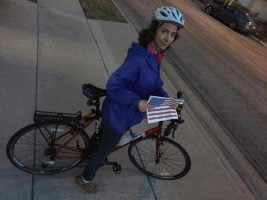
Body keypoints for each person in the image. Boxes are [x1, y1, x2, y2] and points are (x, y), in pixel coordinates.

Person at [75, 6, 185, 193]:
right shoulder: (139, 58)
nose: (168, 38)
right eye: (164, 31)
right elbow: (114, 86)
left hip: (126, 113)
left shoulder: (154, 56)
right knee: (104, 151)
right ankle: (84, 178)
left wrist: (167, 101)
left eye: (173, 34)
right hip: (118, 114)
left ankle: (93, 148)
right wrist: (138, 102)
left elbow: (155, 84)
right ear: (154, 29)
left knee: (104, 141)